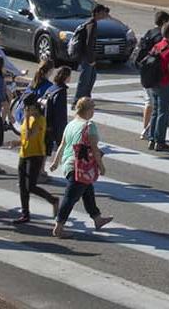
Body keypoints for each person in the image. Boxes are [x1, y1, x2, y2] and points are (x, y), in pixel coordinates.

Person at [50, 97, 113, 238]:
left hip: (68, 164)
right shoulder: (89, 126)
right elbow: (94, 149)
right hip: (80, 167)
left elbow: (62, 144)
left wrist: (55, 162)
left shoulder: (71, 124)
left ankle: (97, 219)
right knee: (70, 197)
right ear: (89, 110)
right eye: (93, 108)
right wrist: (101, 166)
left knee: (87, 191)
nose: (94, 111)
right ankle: (59, 227)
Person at [13, 95, 57, 223]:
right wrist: (17, 142)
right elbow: (24, 137)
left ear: (35, 107)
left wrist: (26, 118)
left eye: (29, 108)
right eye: (25, 108)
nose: (26, 110)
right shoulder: (28, 118)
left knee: (30, 186)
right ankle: (25, 214)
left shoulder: (40, 120)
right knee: (22, 186)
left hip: (36, 155)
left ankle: (53, 200)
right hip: (24, 153)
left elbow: (30, 135)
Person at [145, 23, 169, 152]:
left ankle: (152, 139)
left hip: (154, 82)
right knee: (163, 114)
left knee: (155, 112)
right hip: (165, 84)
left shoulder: (157, 46)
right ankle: (160, 141)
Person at [137, 10, 169, 139]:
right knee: (151, 102)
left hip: (145, 69)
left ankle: (149, 127)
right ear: (163, 22)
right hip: (154, 71)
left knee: (150, 101)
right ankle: (146, 129)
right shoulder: (159, 37)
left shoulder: (149, 32)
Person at [72, 4, 109, 101]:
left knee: (91, 78)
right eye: (103, 12)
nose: (104, 15)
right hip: (87, 57)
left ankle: (86, 98)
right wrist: (91, 60)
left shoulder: (92, 23)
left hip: (88, 57)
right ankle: (78, 100)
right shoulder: (91, 25)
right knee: (85, 80)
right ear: (96, 13)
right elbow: (89, 44)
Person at [44, 65, 73, 156]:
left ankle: (41, 169)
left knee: (46, 148)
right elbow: (60, 113)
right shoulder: (61, 91)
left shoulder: (52, 88)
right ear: (66, 77)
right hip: (55, 125)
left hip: (46, 121)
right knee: (61, 149)